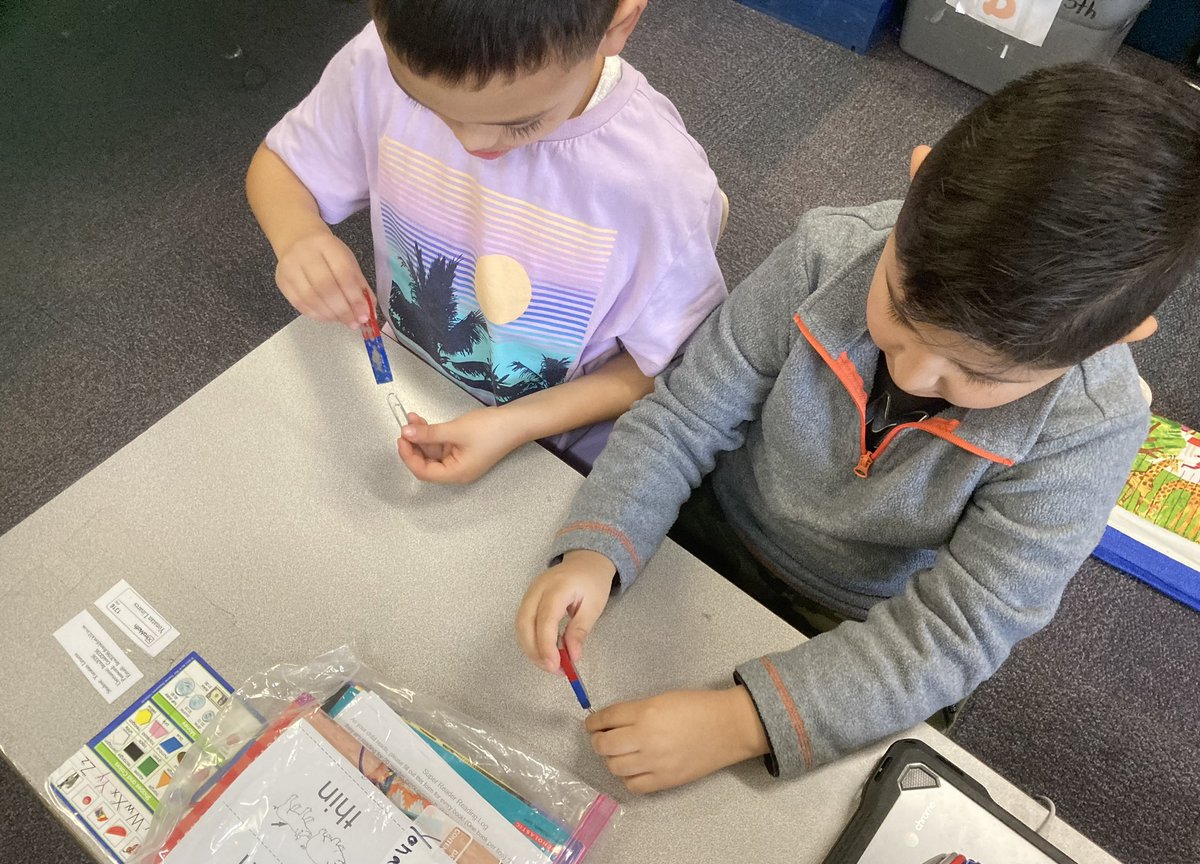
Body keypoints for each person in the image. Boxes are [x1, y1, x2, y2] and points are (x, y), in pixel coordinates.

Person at [515, 64, 1200, 793]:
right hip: (716, 526)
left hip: (865, 626)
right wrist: (598, 547)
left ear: (1118, 337)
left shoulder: (1090, 428)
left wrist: (741, 723)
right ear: (918, 177)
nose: (914, 372)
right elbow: (686, 413)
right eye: (900, 311)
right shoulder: (828, 251)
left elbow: (955, 633)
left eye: (980, 374)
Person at [246, 0, 727, 478]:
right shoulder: (381, 57)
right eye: (425, 104)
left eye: (520, 124)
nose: (470, 143)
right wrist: (299, 236)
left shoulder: (657, 184)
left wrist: (514, 424)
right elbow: (281, 167)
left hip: (560, 448)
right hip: (414, 381)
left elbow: (667, 367)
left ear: (619, 23)